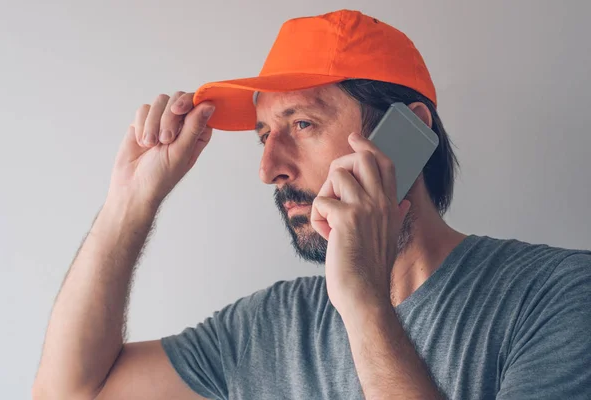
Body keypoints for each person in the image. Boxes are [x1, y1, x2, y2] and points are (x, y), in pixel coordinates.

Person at [33, 9, 591, 400]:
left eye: (302, 124)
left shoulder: (559, 298)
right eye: (262, 134)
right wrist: (130, 203)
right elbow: (72, 392)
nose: (269, 167)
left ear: (407, 135)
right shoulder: (270, 326)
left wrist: (365, 306)